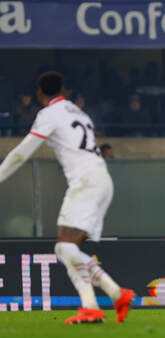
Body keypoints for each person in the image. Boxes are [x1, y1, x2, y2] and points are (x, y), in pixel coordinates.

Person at [0, 72, 135, 324]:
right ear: (64, 90)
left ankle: (117, 293)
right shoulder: (78, 112)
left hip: (85, 182)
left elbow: (22, 153)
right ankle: (91, 306)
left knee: (64, 248)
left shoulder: (48, 114)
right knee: (68, 249)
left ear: (40, 94)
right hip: (101, 179)